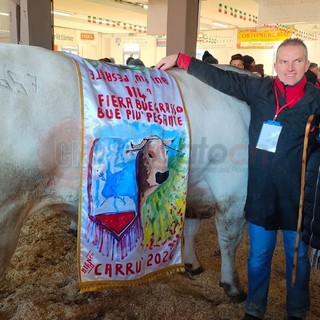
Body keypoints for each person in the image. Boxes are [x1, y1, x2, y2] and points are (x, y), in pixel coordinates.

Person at [156, 38, 320, 320]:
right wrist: (182, 60)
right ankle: (254, 310)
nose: (289, 68)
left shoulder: (316, 101)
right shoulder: (261, 90)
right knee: (258, 257)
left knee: (298, 259)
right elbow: (221, 78)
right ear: (275, 64)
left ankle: (296, 311)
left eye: (296, 62)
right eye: (284, 61)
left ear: (307, 65)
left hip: (299, 195)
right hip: (262, 193)